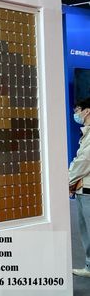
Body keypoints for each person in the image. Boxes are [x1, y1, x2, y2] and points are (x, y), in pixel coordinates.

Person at [69, 97, 90, 277]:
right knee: (85, 231)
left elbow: (84, 161)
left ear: (87, 111)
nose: (75, 114)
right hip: (83, 189)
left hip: (88, 190)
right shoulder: (86, 133)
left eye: (77, 110)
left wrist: (68, 181)